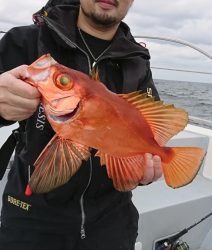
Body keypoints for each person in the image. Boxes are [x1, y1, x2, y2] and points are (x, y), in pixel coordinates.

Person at [0, 0, 162, 249]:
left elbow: (149, 134)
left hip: (113, 221)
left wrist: (143, 172)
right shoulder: (25, 41)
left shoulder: (137, 62)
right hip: (32, 216)